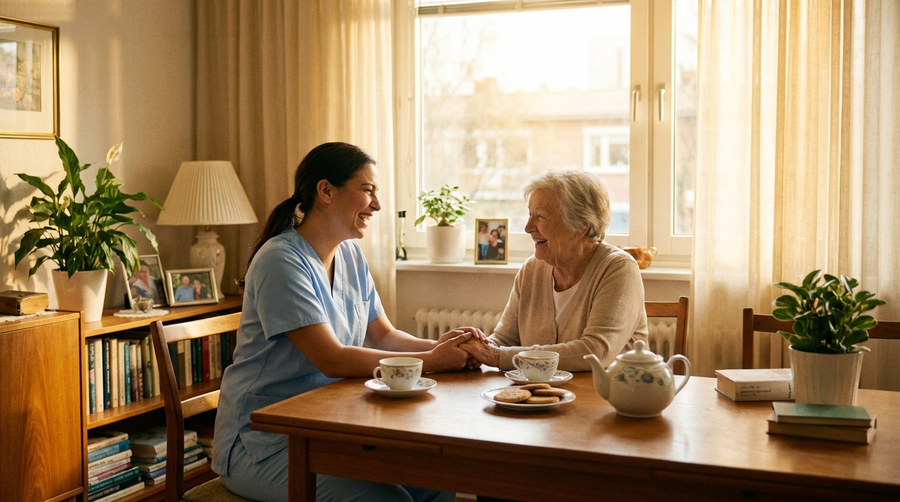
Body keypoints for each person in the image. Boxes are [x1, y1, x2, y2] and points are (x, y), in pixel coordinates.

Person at [213, 142, 479, 502]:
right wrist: (433, 361)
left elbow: (383, 335)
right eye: (367, 190)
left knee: (436, 479)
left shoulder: (350, 254)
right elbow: (332, 358)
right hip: (262, 443)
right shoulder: (280, 262)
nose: (377, 205)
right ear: (326, 191)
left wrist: (446, 348)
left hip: (329, 426)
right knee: (389, 501)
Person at [460, 169, 648, 373]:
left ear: (581, 226)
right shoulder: (532, 269)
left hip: (609, 392)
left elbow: (594, 351)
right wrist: (474, 350)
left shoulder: (619, 269)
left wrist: (494, 355)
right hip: (539, 391)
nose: (528, 227)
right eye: (530, 215)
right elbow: (505, 340)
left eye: (540, 216)